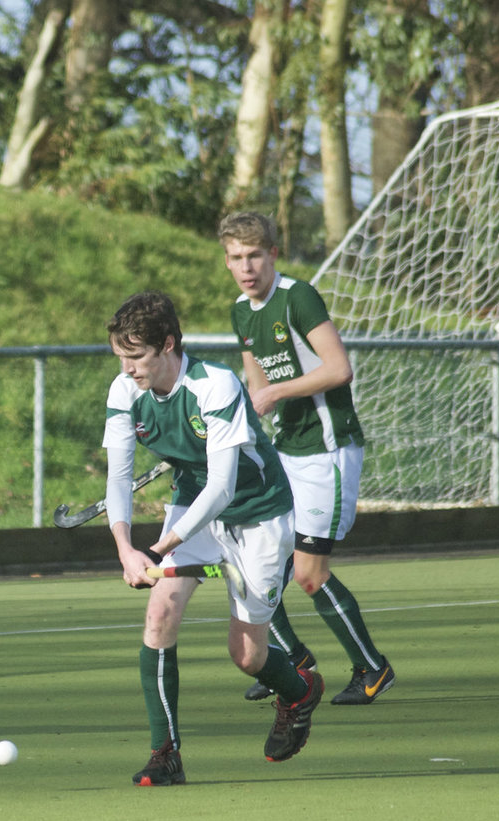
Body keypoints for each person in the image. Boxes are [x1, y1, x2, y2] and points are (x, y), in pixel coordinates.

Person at [103, 290, 323, 786]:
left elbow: (223, 486)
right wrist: (125, 548)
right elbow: (118, 479)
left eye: (137, 357)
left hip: (258, 515)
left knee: (248, 656)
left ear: (168, 345)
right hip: (191, 506)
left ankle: (299, 691)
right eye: (120, 357)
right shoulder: (125, 391)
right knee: (159, 613)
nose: (128, 368)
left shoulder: (215, 385)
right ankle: (165, 754)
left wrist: (157, 548)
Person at [218, 211, 395, 706]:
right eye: (236, 258)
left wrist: (276, 393)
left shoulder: (298, 297)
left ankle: (372, 668)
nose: (246, 266)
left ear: (272, 254)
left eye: (255, 255)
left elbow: (339, 368)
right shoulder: (241, 311)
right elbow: (256, 383)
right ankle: (292, 659)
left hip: (328, 451)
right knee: (260, 563)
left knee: (308, 574)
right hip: (285, 450)